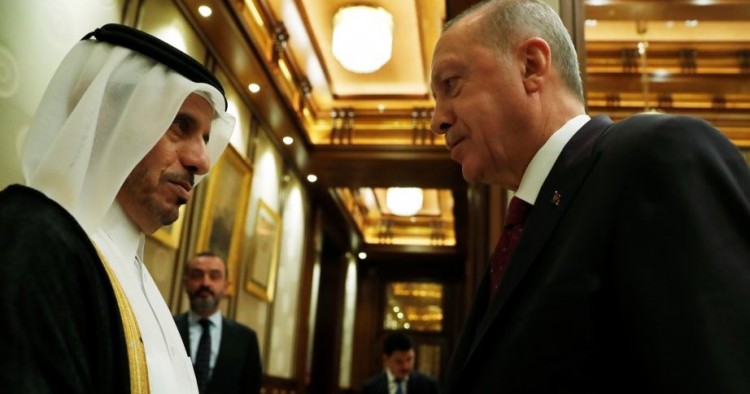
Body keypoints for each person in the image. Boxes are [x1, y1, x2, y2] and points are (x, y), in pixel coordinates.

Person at [430, 1, 750, 393]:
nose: (437, 120)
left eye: (451, 84)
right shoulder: (521, 232)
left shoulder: (655, 156)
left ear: (530, 65)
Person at [0, 24, 235, 393]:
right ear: (113, 121)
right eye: (179, 125)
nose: (202, 161)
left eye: (205, 138)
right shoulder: (33, 236)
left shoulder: (133, 273)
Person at [174, 252, 263, 394]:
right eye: (197, 275)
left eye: (214, 276)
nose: (205, 283)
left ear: (226, 286)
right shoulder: (167, 327)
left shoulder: (246, 339)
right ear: (186, 283)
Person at [362, 332, 440, 394]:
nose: (405, 366)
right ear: (386, 359)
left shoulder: (428, 385)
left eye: (409, 359)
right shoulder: (371, 388)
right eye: (399, 361)